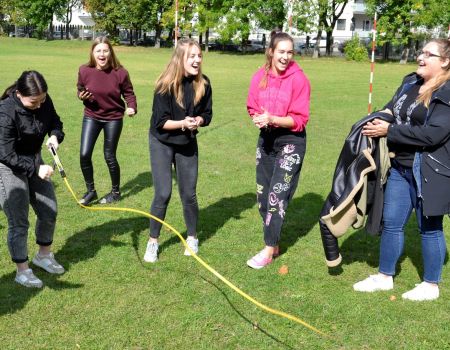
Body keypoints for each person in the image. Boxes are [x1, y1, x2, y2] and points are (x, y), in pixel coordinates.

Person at [353, 39, 450, 301]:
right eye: (421, 51)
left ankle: (431, 284)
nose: (420, 56)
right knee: (392, 223)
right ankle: (385, 277)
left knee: (429, 227)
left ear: (445, 61)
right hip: (399, 167)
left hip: (430, 170)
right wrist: (376, 119)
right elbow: (391, 108)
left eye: (428, 54)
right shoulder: (410, 82)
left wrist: (391, 131)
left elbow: (434, 134)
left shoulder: (447, 91)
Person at [246, 31, 311, 269]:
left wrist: (272, 117)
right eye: (281, 51)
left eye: (289, 52)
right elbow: (252, 106)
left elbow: (300, 120)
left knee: (277, 196)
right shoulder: (259, 77)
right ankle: (274, 243)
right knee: (263, 197)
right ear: (271, 52)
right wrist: (258, 118)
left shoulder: (299, 79)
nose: (285, 57)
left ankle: (267, 250)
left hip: (291, 142)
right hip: (266, 140)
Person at [144, 38, 212, 263]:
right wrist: (184, 123)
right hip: (162, 141)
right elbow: (160, 122)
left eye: (199, 55)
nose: (197, 60)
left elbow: (207, 114)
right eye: (191, 56)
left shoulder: (204, 84)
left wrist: (199, 120)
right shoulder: (165, 85)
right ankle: (153, 241)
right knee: (163, 193)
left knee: (188, 194)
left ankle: (192, 237)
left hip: (187, 142)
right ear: (180, 58)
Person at [0, 70, 65, 288]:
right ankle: (22, 270)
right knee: (19, 220)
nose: (39, 105)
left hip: (35, 159)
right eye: (33, 102)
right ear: (19, 94)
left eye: (42, 100)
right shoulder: (6, 112)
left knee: (49, 210)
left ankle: (43, 256)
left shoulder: (43, 100)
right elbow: (6, 154)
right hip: (9, 166)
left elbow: (55, 120)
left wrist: (55, 135)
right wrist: (34, 169)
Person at [77, 36, 137, 205]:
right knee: (84, 154)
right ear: (92, 53)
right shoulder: (84, 70)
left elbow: (129, 93)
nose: (102, 54)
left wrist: (131, 106)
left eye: (105, 50)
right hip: (92, 116)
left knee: (109, 155)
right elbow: (80, 89)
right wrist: (82, 96)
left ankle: (115, 192)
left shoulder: (120, 72)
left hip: (113, 118)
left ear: (110, 52)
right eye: (98, 51)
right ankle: (91, 191)